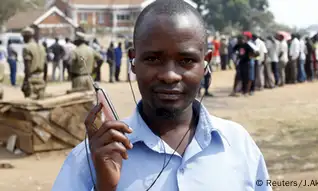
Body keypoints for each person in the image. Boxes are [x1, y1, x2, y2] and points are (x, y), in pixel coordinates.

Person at [52, 1, 271, 190]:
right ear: (133, 61)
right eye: (153, 59)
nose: (169, 75)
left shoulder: (238, 144)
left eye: (186, 60)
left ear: (205, 63)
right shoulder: (90, 158)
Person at [21, 27, 46, 99]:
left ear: (26, 36)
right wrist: (45, 79)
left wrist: (25, 81)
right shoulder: (41, 47)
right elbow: (45, 64)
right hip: (41, 78)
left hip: (32, 79)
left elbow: (27, 66)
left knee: (30, 103)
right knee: (41, 102)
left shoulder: (27, 48)